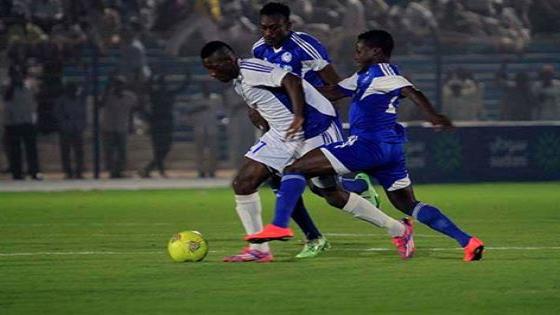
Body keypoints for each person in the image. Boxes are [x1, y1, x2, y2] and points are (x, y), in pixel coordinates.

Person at [247, 30, 485, 262]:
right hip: (391, 151)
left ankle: (279, 225)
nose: (355, 55)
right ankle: (467, 241)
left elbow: (411, 90)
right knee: (408, 204)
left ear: (377, 51)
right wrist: (287, 89)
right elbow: (332, 91)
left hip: (367, 146)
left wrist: (433, 115)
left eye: (360, 51)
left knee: (294, 169)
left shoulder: (384, 73)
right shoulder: (364, 76)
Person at [201, 41, 412, 261]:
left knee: (330, 193)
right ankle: (259, 250)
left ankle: (398, 229)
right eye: (208, 69)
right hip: (284, 134)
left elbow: (291, 81)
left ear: (229, 60)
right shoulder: (240, 80)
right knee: (243, 183)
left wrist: (299, 115)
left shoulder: (252, 70)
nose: (212, 74)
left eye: (214, 67)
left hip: (316, 127)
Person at [242, 2, 379, 260]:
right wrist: (258, 108)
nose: (269, 33)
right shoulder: (258, 49)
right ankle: (315, 237)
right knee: (284, 180)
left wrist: (306, 102)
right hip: (284, 126)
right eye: (264, 28)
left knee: (322, 188)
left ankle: (357, 188)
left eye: (275, 28)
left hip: (317, 123)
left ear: (289, 26)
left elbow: (335, 86)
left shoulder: (306, 46)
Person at [139, 74, 189, 178]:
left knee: (166, 147)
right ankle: (156, 170)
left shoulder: (169, 94)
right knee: (158, 148)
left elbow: (183, 86)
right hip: (157, 122)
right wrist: (151, 78)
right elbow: (146, 88)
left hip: (166, 122)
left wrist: (187, 73)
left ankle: (149, 168)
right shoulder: (154, 94)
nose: (162, 85)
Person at [2, 69, 42, 180]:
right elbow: (7, 108)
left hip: (28, 122)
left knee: (31, 150)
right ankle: (17, 173)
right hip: (14, 124)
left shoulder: (28, 88)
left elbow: (33, 103)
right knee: (15, 151)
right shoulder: (8, 90)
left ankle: (34, 172)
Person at [100, 76, 138, 179]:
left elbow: (132, 112)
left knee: (122, 151)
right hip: (109, 127)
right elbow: (101, 104)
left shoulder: (130, 97)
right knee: (110, 151)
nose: (119, 86)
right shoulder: (108, 96)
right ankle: (112, 171)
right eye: (117, 84)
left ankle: (119, 171)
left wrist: (131, 125)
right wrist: (107, 89)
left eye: (120, 84)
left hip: (122, 127)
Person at [54, 81, 87, 179]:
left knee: (79, 152)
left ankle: (79, 171)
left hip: (77, 128)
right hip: (66, 129)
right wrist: (63, 123)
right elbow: (57, 113)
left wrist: (82, 125)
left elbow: (83, 114)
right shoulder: (61, 100)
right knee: (66, 151)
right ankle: (68, 172)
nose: (73, 91)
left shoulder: (79, 100)